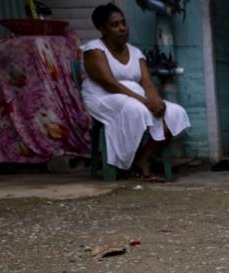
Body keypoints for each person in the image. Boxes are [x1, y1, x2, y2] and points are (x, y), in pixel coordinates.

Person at [80, 3, 190, 181]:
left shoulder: (135, 52)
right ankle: (124, 165)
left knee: (174, 112)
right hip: (103, 98)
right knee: (136, 110)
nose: (122, 28)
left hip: (135, 98)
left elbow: (147, 82)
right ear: (103, 29)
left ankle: (142, 159)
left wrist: (155, 100)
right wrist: (146, 102)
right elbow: (109, 83)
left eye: (123, 23)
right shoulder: (94, 49)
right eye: (115, 25)